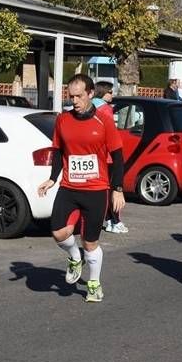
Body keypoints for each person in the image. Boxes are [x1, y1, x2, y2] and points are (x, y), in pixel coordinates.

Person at [37, 74, 125, 302]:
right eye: (71, 96)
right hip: (69, 186)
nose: (74, 101)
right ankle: (75, 257)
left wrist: (118, 188)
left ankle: (94, 284)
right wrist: (52, 178)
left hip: (96, 190)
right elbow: (57, 150)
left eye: (79, 96)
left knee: (90, 241)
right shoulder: (63, 120)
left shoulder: (103, 120)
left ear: (90, 94)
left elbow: (117, 155)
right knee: (58, 232)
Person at [92, 81, 127, 234]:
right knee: (114, 188)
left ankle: (106, 219)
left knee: (102, 189)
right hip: (108, 156)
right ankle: (115, 220)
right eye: (110, 92)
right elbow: (110, 133)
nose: (112, 95)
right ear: (103, 93)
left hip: (96, 155)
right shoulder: (106, 109)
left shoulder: (90, 107)